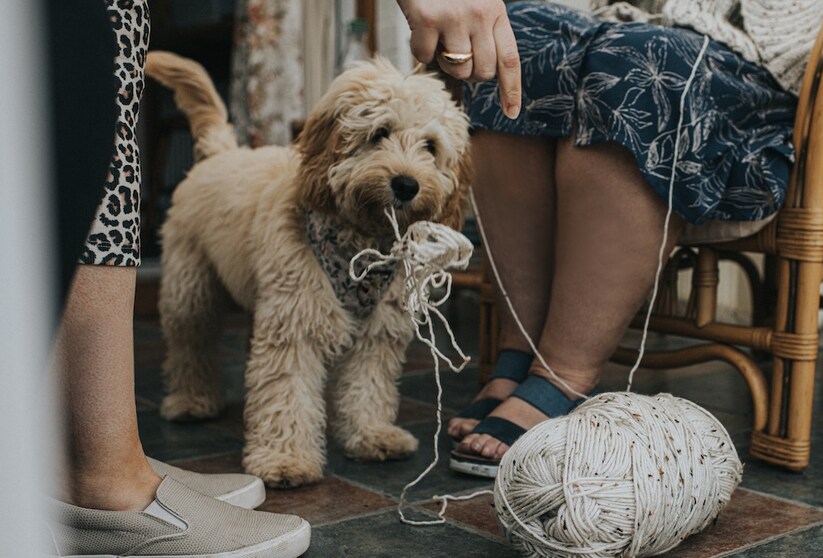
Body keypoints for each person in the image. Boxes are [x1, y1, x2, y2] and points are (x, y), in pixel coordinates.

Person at [47, 1, 519, 556]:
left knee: (381, 336)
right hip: (211, 198)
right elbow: (283, 346)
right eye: (378, 137)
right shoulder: (297, 219)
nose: (406, 170)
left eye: (429, 149)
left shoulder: (403, 245)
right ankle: (259, 430)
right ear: (331, 148)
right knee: (206, 317)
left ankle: (365, 425)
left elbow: (380, 342)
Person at [447, 0, 823, 475]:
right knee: (516, 33)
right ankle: (520, 354)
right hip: (638, 30)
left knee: (642, 59)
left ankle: (562, 375)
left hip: (753, 89)